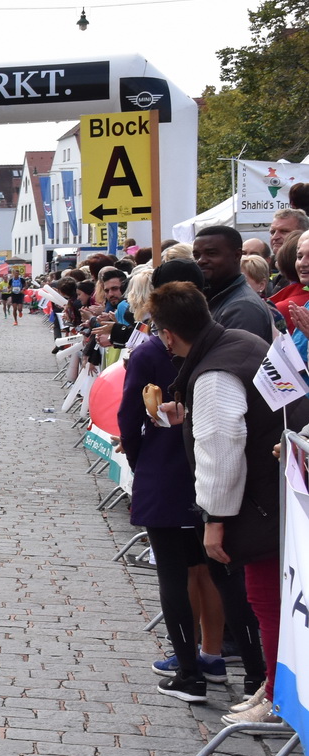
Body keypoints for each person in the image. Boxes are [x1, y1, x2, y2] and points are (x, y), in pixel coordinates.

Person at [153, 280, 301, 722]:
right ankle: (272, 685)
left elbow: (221, 445)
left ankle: (278, 698)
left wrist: (215, 518)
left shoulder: (214, 373)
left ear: (167, 334)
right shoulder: (245, 341)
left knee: (266, 598)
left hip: (262, 501)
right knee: (270, 596)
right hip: (283, 490)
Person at [116, 266, 256, 704]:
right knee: (213, 573)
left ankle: (190, 672)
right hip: (212, 480)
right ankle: (213, 655)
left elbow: (129, 416)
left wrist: (141, 463)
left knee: (175, 576)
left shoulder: (159, 353)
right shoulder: (244, 343)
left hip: (175, 473)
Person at [194, 225, 274, 340]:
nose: (201, 261)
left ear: (237, 255)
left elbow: (236, 356)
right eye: (196, 255)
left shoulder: (242, 308)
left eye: (211, 253)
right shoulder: (218, 297)